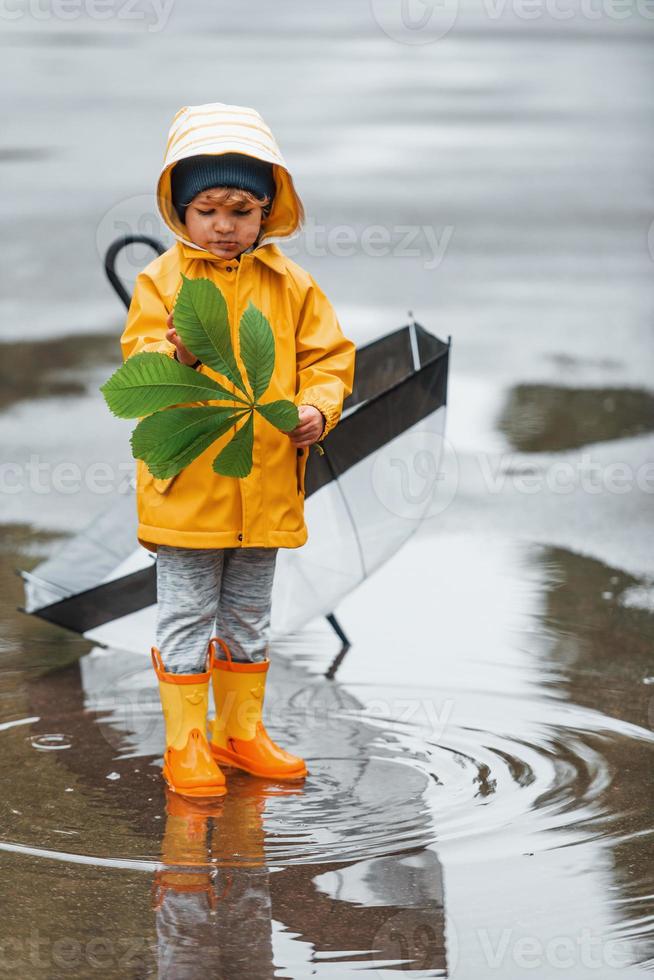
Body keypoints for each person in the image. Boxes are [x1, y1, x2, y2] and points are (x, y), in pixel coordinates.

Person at [120, 102, 357, 799]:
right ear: (181, 212)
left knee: (250, 614)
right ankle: (186, 744)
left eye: (243, 209)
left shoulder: (292, 284)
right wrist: (179, 351)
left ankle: (240, 732)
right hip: (189, 485)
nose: (225, 226)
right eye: (208, 210)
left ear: (268, 212)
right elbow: (139, 365)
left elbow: (329, 358)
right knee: (189, 612)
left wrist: (318, 406)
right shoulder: (163, 282)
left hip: (267, 485)